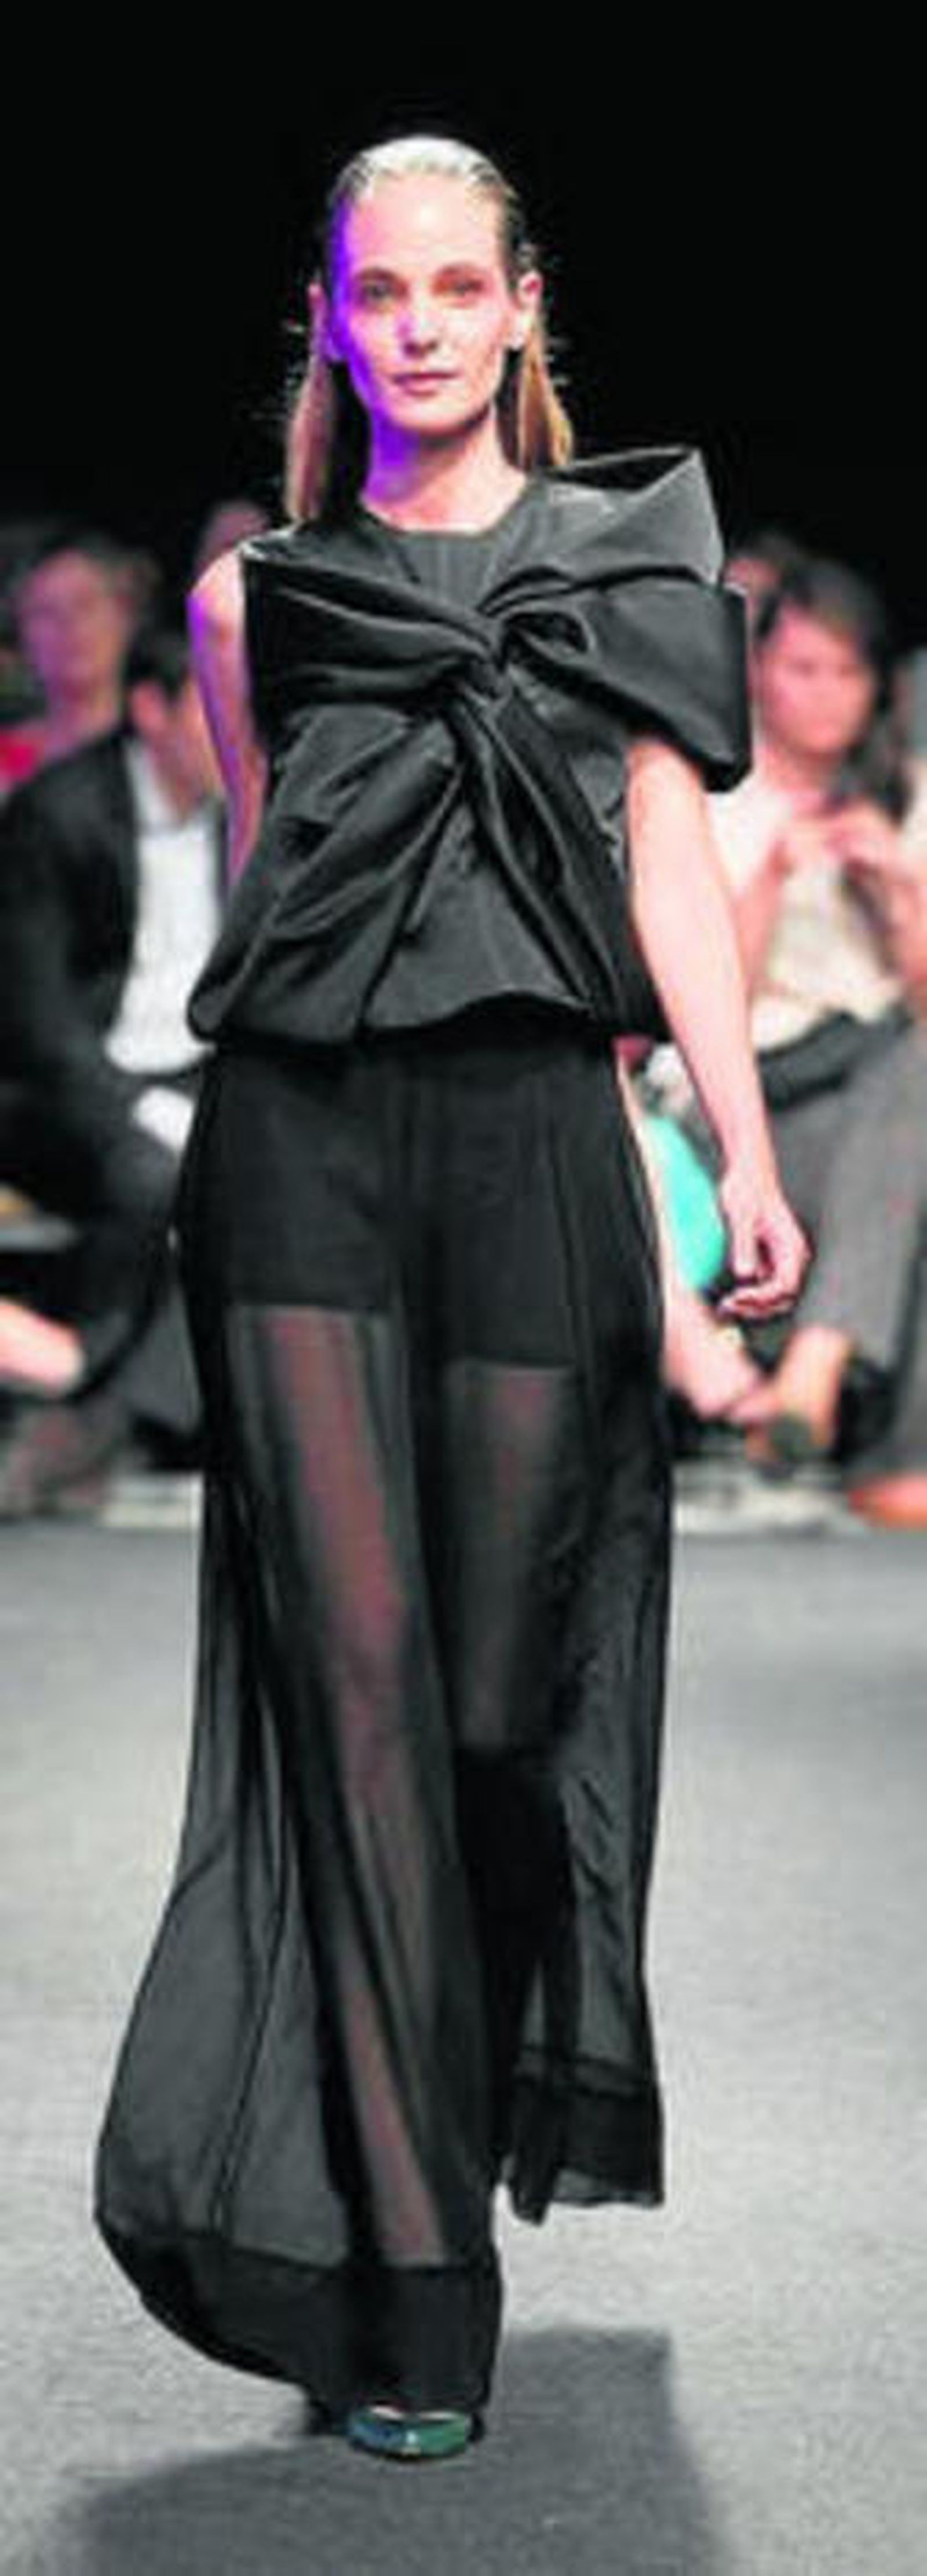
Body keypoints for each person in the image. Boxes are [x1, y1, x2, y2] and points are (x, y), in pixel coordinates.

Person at [93, 133, 804, 2462]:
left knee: (498, 1707)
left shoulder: (628, 559)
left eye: (450, 287)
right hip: (299, 1157)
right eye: (372, 290)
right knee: (362, 1699)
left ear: (518, 309)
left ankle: (458, 2071)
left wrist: (740, 1142)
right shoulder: (256, 598)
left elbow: (666, 866)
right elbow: (283, 876)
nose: (412, 323)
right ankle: (413, 2273)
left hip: (527, 1147)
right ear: (332, 316)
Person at [0, 626, 225, 1513]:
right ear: (151, 710)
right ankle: (93, 1392)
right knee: (157, 1177)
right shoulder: (57, 815)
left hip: (197, 1076)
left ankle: (106, 1404)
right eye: (215, 708)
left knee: (288, 1170)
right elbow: (38, 1021)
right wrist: (145, 1113)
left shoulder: (243, 814)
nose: (235, 729)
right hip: (63, 1089)